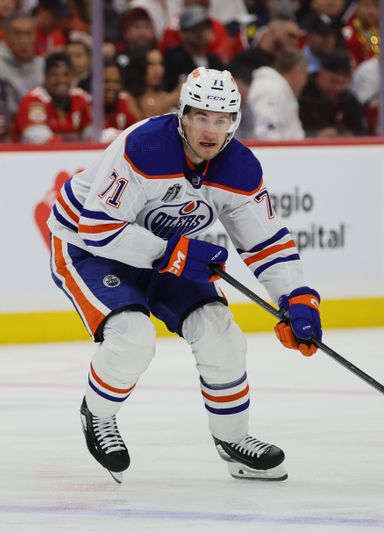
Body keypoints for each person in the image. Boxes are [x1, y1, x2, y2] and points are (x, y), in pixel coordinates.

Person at [46, 67, 322, 482]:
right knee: (133, 337)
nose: (210, 130)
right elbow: (99, 230)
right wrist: (172, 254)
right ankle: (98, 415)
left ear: (235, 121)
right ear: (183, 116)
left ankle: (233, 439)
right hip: (87, 247)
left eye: (221, 119)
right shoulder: (144, 147)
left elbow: (266, 242)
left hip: (159, 250)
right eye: (200, 117)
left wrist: (298, 295)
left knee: (220, 331)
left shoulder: (240, 168)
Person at [13, 51, 91, 142]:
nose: (61, 80)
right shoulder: (33, 100)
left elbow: (94, 133)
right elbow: (39, 138)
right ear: (45, 77)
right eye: (55, 75)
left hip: (72, 154)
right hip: (38, 155)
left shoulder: (80, 98)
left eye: (66, 75)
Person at [299, 50, 366, 137]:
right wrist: (315, 135)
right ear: (321, 74)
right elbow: (289, 131)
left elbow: (361, 132)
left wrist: (347, 134)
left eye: (342, 83)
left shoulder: (349, 100)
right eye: (333, 81)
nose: (337, 88)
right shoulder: (302, 93)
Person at [248, 49, 308, 140]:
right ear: (297, 71)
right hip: (275, 152)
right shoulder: (269, 89)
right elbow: (266, 132)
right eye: (305, 75)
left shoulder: (279, 90)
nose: (305, 82)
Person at [162, 5, 225, 92]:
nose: (200, 32)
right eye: (194, 28)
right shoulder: (174, 57)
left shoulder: (215, 60)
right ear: (182, 33)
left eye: (204, 27)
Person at [0, 12, 44, 107]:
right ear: (5, 36)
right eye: (18, 34)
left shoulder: (42, 65)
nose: (24, 40)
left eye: (28, 33)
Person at [121, 47, 180, 119]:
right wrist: (168, 102)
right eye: (151, 64)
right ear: (139, 66)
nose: (158, 70)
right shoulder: (127, 98)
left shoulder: (164, 95)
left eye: (160, 64)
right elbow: (139, 126)